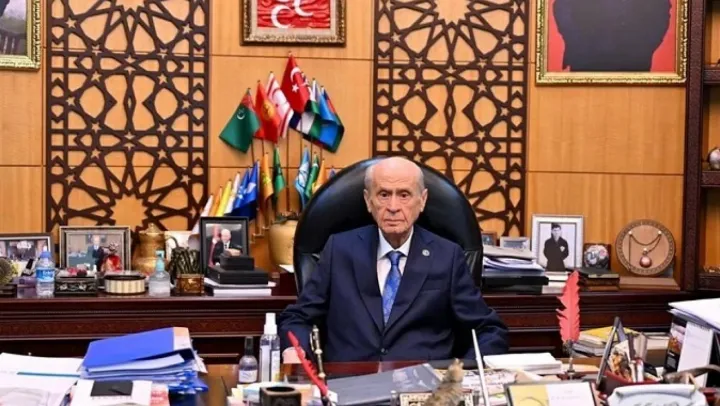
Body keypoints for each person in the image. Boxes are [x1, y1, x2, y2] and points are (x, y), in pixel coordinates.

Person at [278, 157, 508, 363]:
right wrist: (295, 351)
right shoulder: (339, 249)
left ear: (422, 200)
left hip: (423, 387)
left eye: (404, 195)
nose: (393, 207)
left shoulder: (447, 256)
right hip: (349, 383)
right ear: (368, 200)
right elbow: (297, 317)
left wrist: (462, 374)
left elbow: (489, 329)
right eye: (384, 195)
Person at [553, 0, 671, 72]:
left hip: (633, 61)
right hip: (586, 59)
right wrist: (578, 44)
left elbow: (661, 11)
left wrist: (643, 49)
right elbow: (561, 7)